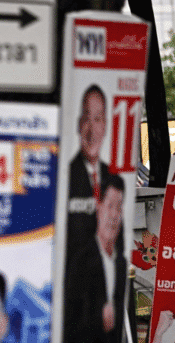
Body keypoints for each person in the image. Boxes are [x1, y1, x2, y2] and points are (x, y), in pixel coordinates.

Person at [62, 174, 126, 343]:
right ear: (98, 209)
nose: (114, 215)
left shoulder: (121, 264)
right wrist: (99, 321)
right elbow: (69, 330)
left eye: (119, 208)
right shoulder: (81, 263)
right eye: (110, 206)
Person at [67, 85, 111, 254]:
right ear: (79, 124)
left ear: (105, 126)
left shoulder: (115, 179)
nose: (91, 130)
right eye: (87, 118)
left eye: (98, 119)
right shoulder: (65, 176)